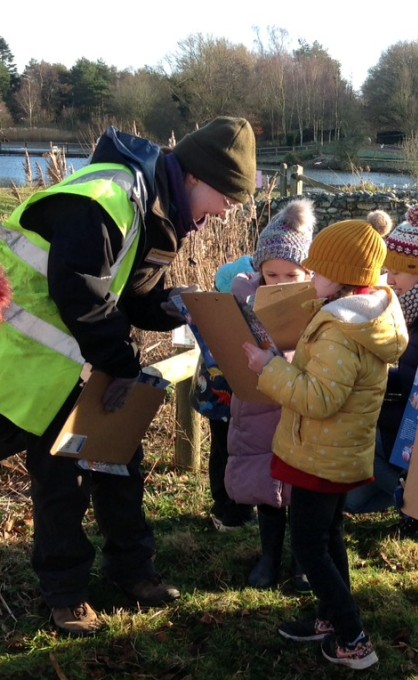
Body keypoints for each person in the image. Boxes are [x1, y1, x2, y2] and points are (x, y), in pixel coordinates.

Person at [0, 116, 257, 636]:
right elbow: (80, 291)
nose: (226, 212)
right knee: (62, 482)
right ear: (195, 176)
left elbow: (134, 296)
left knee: (118, 462)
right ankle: (66, 593)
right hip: (21, 360)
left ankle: (133, 571)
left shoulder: (156, 213)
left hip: (74, 358)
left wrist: (178, 305)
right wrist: (121, 365)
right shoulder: (105, 198)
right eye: (227, 197)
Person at [243, 219, 408, 670]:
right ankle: (329, 618)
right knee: (329, 535)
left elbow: (319, 398)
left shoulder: (340, 328)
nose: (310, 277)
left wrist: (267, 368)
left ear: (341, 276)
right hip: (334, 452)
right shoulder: (361, 316)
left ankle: (353, 637)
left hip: (321, 455)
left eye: (317, 270)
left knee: (310, 546)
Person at [344, 202, 418, 540]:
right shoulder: (417, 305)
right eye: (387, 268)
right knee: (353, 497)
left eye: (397, 270)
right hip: (410, 411)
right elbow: (413, 378)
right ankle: (406, 498)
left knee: (358, 434)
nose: (390, 279)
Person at [224, 198, 315, 591]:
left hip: (301, 405)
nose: (280, 284)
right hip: (258, 405)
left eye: (291, 275)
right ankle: (269, 555)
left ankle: (303, 561)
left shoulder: (322, 307)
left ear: (308, 273)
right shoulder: (244, 299)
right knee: (266, 482)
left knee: (303, 488)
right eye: (272, 275)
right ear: (260, 272)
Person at [191, 255, 256, 532]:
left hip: (231, 398)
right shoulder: (220, 322)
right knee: (224, 451)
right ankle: (226, 509)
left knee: (233, 451)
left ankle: (240, 506)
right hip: (220, 399)